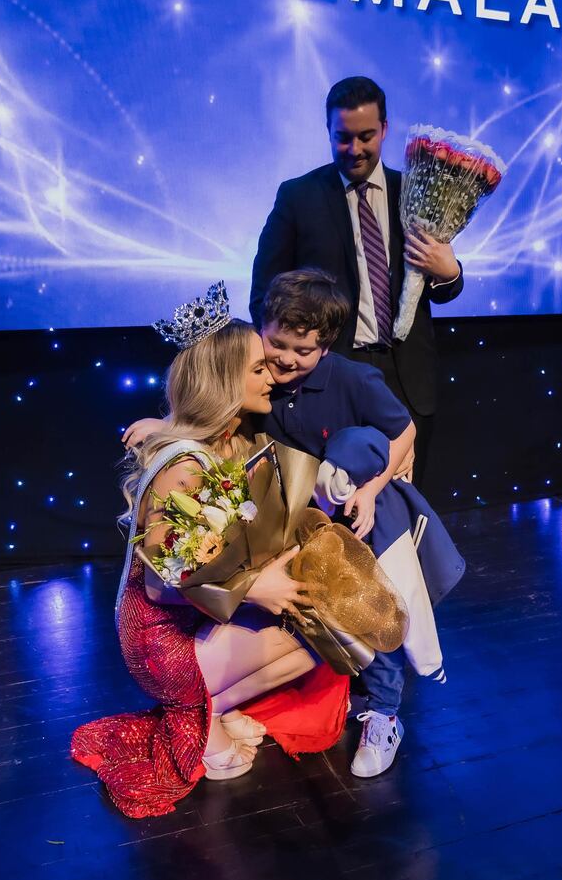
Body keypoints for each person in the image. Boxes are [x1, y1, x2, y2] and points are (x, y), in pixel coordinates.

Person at [125, 270, 465, 779]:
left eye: (299, 350)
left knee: (375, 606)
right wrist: (169, 428)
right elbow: (206, 422)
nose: (280, 364)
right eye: (270, 353)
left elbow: (402, 431)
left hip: (358, 515)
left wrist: (371, 488)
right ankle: (199, 711)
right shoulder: (240, 419)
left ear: (325, 347)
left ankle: (383, 713)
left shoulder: (349, 380)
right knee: (325, 627)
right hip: (278, 540)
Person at [72, 284, 349, 819]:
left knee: (319, 634)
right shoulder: (184, 466)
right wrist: (255, 588)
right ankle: (194, 716)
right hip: (162, 641)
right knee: (309, 635)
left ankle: (207, 711)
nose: (272, 377)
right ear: (224, 381)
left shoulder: (226, 446)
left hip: (194, 624)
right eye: (258, 369)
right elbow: (161, 587)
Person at [250, 76, 465, 488]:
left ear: (384, 129)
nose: (354, 148)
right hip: (331, 377)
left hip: (408, 377)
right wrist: (296, 352)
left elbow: (446, 289)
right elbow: (264, 293)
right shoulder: (298, 197)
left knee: (405, 498)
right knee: (335, 500)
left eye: (365, 136)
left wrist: (449, 271)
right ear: (328, 132)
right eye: (343, 137)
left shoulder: (414, 193)